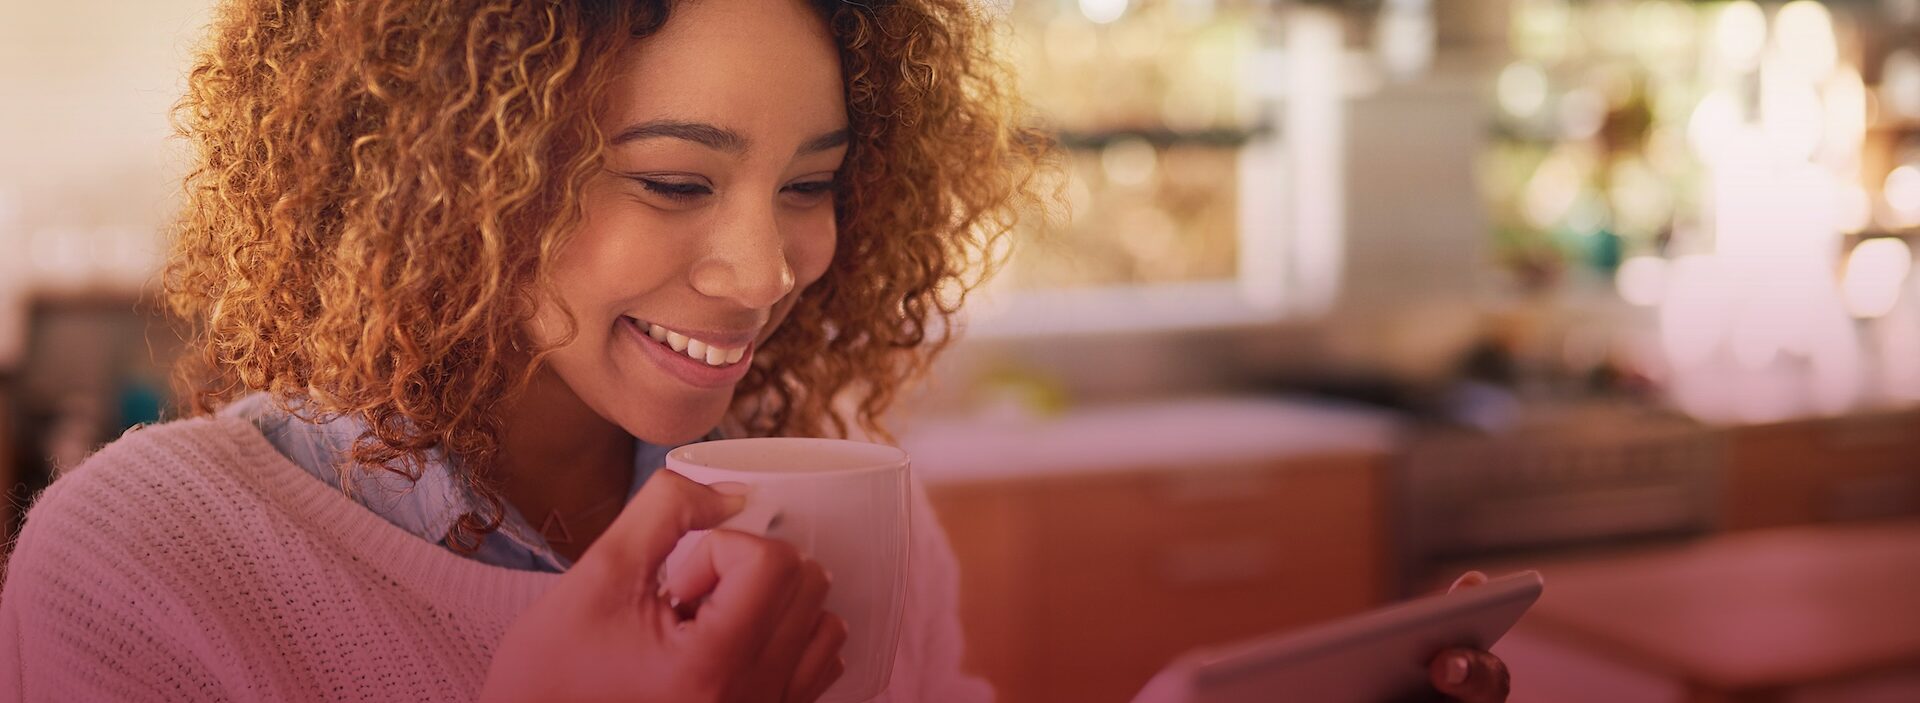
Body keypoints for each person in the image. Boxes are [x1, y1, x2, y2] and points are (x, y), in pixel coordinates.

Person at [0, 0, 1510, 701]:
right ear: (433, 172)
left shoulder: (851, 513)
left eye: (811, 183)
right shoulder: (146, 567)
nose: (768, 263)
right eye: (672, 180)